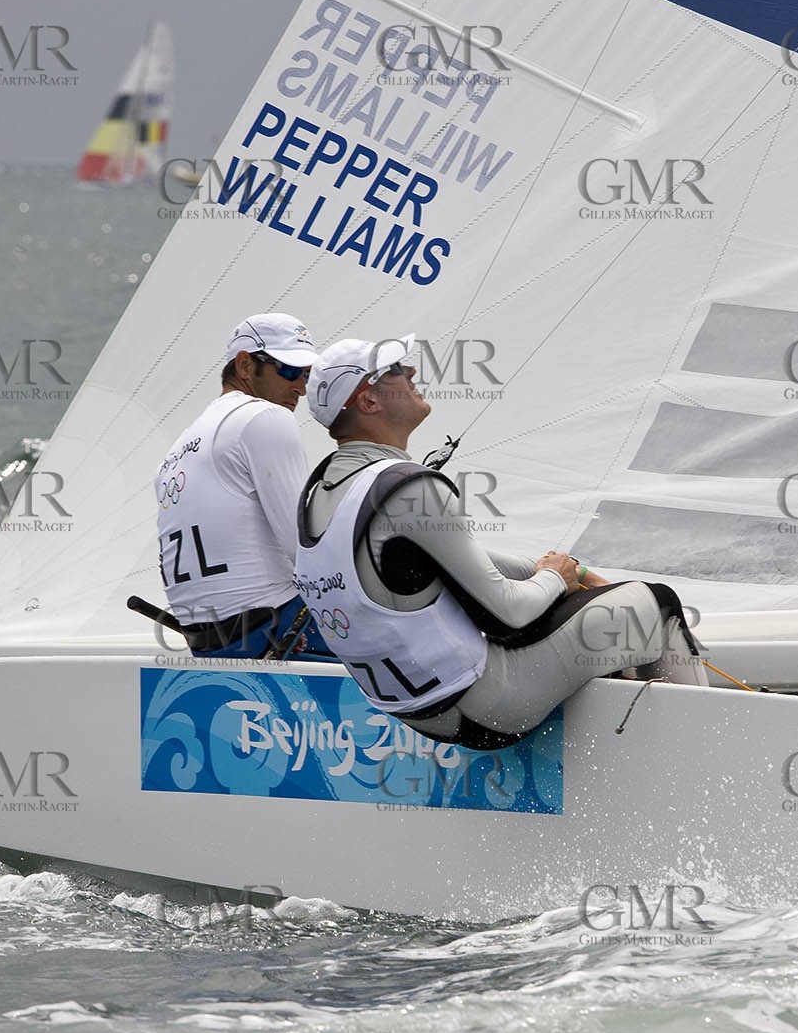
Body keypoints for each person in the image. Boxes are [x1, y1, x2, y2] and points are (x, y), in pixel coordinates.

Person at [295, 333, 706, 747]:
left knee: (566, 604)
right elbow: (507, 616)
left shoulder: (320, 492)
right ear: (368, 401)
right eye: (397, 369)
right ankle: (702, 750)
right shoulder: (409, 489)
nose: (413, 371)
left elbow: (463, 568)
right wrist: (553, 579)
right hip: (492, 708)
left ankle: (632, 727)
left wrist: (566, 572)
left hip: (422, 716)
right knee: (656, 602)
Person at [155, 312, 335, 660]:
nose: (300, 387)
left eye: (307, 375)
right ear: (245, 365)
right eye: (289, 371)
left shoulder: (178, 447)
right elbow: (307, 549)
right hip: (273, 630)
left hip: (208, 643)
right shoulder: (265, 417)